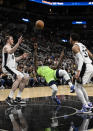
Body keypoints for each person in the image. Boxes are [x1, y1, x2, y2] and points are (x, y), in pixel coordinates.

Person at [2, 35, 29, 105]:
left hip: (12, 68)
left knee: (25, 78)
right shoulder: (6, 47)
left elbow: (14, 60)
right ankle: (9, 98)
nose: (13, 40)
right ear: (8, 40)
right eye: (11, 39)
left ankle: (18, 98)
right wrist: (18, 43)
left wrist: (22, 56)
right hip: (6, 67)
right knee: (19, 77)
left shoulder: (11, 48)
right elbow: (10, 51)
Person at [70, 32, 93, 113]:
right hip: (90, 66)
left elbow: (81, 59)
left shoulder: (74, 47)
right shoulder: (82, 45)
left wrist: (78, 71)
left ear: (71, 39)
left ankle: (85, 106)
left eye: (70, 38)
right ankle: (88, 104)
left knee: (76, 87)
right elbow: (90, 54)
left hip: (84, 67)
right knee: (80, 86)